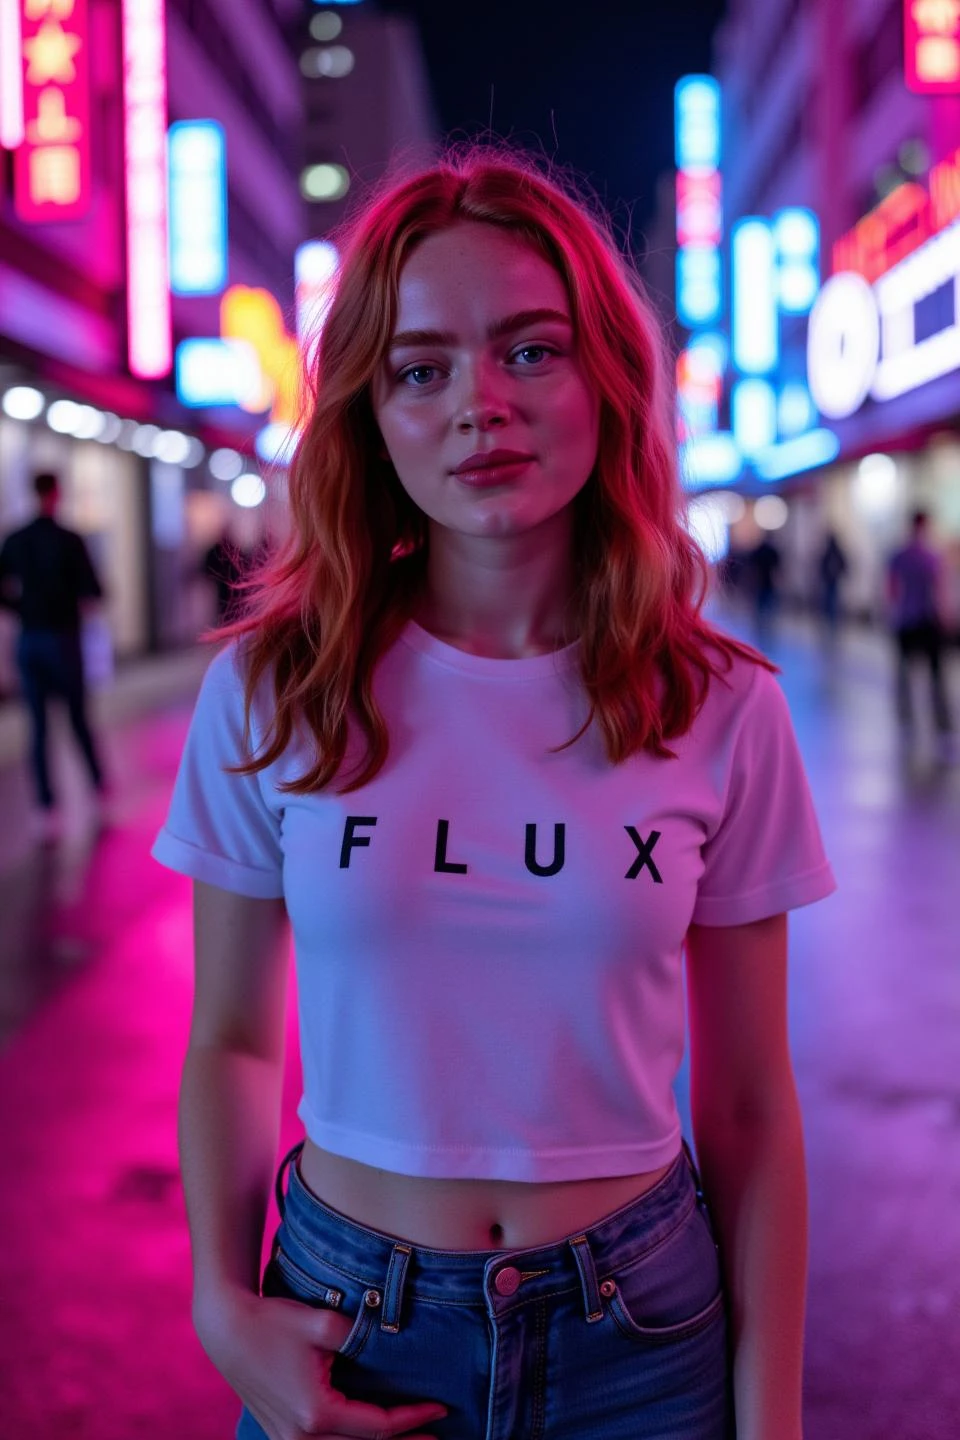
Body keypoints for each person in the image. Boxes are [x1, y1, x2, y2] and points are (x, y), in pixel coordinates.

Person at [153, 149, 837, 1440]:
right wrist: (215, 1298)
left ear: (606, 381)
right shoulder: (274, 687)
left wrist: (776, 1417)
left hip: (639, 1331)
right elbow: (233, 1038)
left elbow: (750, 1100)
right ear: (370, 408)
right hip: (350, 1324)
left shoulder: (720, 704)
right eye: (421, 369)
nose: (481, 405)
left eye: (531, 350)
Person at [0, 470, 106, 835]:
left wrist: (23, 608)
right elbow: (95, 591)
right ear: (57, 494)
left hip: (29, 640)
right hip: (63, 639)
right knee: (77, 718)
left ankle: (47, 807)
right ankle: (97, 787)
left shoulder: (15, 539)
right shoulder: (69, 540)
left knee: (38, 725)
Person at [887, 510, 954, 740]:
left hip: (906, 620)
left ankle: (906, 716)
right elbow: (939, 589)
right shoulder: (931, 556)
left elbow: (892, 588)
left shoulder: (899, 555)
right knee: (936, 672)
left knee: (905, 671)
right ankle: (941, 719)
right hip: (927, 620)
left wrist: (893, 613)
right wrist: (945, 617)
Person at [817, 532, 848, 640]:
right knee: (831, 600)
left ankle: (831, 619)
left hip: (832, 580)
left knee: (831, 600)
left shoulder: (831, 552)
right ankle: (830, 619)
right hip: (831, 580)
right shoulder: (833, 552)